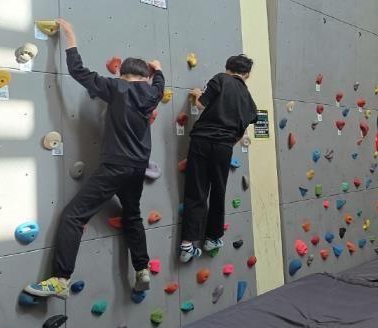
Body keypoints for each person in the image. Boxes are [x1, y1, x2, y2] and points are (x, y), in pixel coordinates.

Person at [25, 19, 164, 298]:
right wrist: (158, 69)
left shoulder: (115, 88)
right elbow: (159, 82)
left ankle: (60, 279)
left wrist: (70, 35)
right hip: (138, 168)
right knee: (133, 215)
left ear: (123, 74)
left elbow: (77, 71)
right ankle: (142, 268)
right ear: (145, 77)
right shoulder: (152, 93)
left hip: (115, 166)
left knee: (73, 216)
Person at [179, 55, 258, 263]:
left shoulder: (220, 79)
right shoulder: (248, 99)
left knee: (196, 191)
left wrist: (197, 93)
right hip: (224, 146)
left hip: (201, 141)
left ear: (227, 68)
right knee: (218, 190)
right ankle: (212, 238)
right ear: (247, 75)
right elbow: (242, 131)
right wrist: (226, 144)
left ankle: (187, 245)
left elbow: (201, 102)